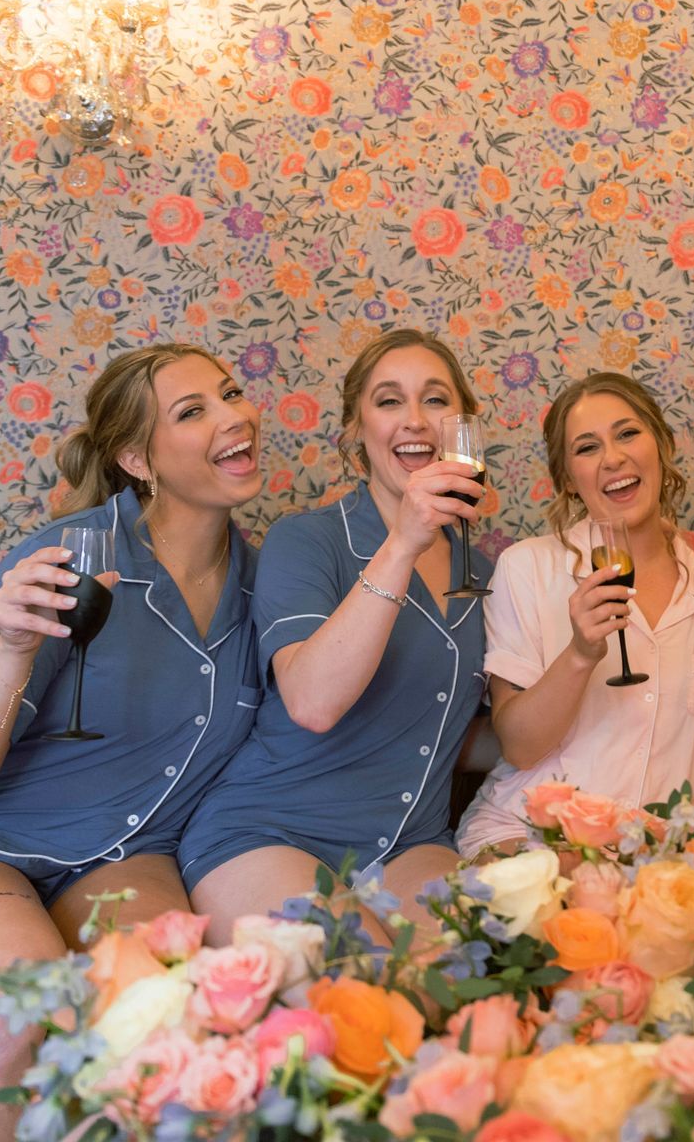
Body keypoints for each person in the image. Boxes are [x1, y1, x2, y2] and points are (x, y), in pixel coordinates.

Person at [0, 343, 264, 1141]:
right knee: (9, 1004)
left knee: (169, 1017)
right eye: (193, 411)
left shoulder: (268, 585)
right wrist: (12, 649)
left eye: (231, 393)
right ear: (137, 459)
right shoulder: (73, 560)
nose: (234, 416)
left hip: (126, 855)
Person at [180, 329, 489, 941]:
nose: (414, 420)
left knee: (480, 974)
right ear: (356, 431)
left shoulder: (486, 574)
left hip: (409, 844)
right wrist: (404, 542)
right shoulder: (307, 541)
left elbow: (459, 730)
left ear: (463, 429)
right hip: (270, 834)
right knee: (359, 977)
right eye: (389, 401)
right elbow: (312, 703)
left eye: (434, 399)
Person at [456, 372, 694, 857]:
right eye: (587, 448)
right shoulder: (527, 569)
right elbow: (519, 747)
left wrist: (678, 839)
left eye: (627, 434)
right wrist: (580, 654)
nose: (613, 458)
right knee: (578, 883)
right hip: (530, 834)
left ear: (661, 444)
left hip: (661, 848)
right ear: (567, 479)